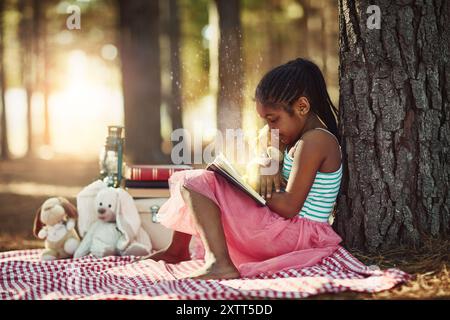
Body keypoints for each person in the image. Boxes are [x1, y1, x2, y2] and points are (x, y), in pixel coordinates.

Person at [146, 58, 343, 280]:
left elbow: (289, 206)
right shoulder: (292, 138)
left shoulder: (315, 141)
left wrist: (251, 182)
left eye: (273, 120)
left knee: (195, 182)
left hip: (297, 235)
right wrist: (268, 160)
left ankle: (219, 263)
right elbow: (263, 151)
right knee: (199, 182)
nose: (270, 128)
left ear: (302, 107)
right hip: (286, 229)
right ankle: (177, 251)